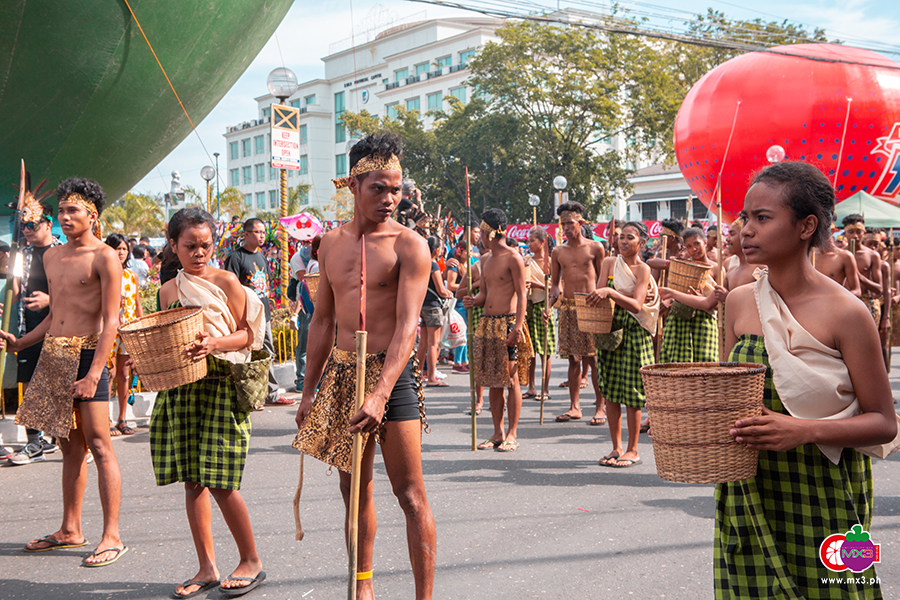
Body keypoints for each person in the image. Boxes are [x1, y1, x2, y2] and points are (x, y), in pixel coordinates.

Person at [716, 161, 897, 598]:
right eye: (745, 218)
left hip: (824, 488)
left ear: (806, 226)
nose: (747, 230)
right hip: (749, 486)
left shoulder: (846, 312)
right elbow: (726, 396)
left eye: (762, 218)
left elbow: (885, 422)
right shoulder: (740, 302)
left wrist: (803, 430)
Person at [294, 133, 436, 600]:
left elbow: (407, 327)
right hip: (340, 375)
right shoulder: (330, 245)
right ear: (353, 185)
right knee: (355, 492)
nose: (391, 199)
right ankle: (363, 587)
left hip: (391, 381)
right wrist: (309, 390)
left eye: (396, 188)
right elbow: (322, 323)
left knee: (411, 496)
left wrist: (379, 393)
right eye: (379, 187)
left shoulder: (411, 246)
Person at [2, 177, 127, 566]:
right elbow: (56, 313)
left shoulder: (105, 256)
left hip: (89, 355)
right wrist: (21, 343)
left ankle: (112, 535)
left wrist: (94, 373)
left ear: (92, 215)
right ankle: (70, 529)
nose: (65, 216)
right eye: (62, 211)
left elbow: (111, 321)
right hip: (54, 355)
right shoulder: (51, 257)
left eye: (73, 210)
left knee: (100, 446)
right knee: (68, 447)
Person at [153, 207, 268, 598]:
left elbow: (249, 336)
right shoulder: (167, 291)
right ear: (173, 246)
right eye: (189, 246)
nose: (199, 253)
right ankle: (206, 567)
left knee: (221, 482)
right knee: (193, 481)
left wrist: (214, 343)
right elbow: (165, 341)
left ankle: (251, 560)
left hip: (221, 384)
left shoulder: (227, 281)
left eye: (205, 245)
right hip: (183, 390)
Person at [589, 221, 659, 468]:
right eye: (621, 237)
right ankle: (616, 447)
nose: (624, 241)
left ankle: (633, 449)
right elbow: (598, 296)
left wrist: (612, 293)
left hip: (633, 331)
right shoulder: (609, 263)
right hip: (609, 330)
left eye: (630, 237)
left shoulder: (643, 269)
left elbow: (637, 305)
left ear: (642, 243)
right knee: (610, 391)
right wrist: (611, 294)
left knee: (632, 393)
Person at [463, 208, 529, 451]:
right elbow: (485, 294)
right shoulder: (484, 260)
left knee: (511, 380)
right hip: (487, 324)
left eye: (482, 231)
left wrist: (518, 328)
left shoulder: (514, 258)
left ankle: (512, 433)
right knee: (492, 380)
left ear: (490, 233)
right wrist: (473, 300)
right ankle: (497, 432)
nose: (479, 237)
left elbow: (522, 295)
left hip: (509, 323)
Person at [6, 196, 62, 465]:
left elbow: (77, 294)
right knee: (29, 385)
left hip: (60, 328)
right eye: (24, 225)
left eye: (32, 224)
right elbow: (15, 294)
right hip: (28, 327)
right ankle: (33, 440)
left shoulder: (63, 252)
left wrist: (50, 301)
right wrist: (12, 273)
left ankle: (66, 440)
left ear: (48, 223)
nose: (27, 229)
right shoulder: (23, 255)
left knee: (58, 385)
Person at [546, 202, 606, 425]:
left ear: (581, 222)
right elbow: (555, 285)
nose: (566, 228)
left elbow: (603, 279)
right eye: (563, 224)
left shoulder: (595, 248)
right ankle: (574, 407)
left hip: (591, 305)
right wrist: (549, 305)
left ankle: (600, 407)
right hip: (569, 308)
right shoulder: (558, 251)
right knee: (573, 359)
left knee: (594, 358)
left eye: (570, 223)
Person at [225, 219, 294, 406]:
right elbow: (229, 289)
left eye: (263, 232)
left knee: (267, 351)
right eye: (257, 232)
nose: (262, 235)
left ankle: (271, 394)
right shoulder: (235, 258)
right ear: (246, 234)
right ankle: (249, 396)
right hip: (245, 316)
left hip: (264, 315)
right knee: (245, 355)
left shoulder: (261, 257)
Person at [656, 227, 718, 363]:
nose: (694, 249)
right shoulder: (684, 265)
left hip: (705, 321)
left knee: (706, 365)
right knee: (678, 366)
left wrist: (703, 299)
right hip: (681, 321)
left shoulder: (717, 269)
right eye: (689, 246)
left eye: (697, 244)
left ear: (705, 242)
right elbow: (651, 262)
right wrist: (672, 264)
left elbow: (721, 302)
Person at [105, 233, 143, 436]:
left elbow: (137, 304)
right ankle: (106, 420)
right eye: (117, 248)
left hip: (128, 329)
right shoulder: (103, 273)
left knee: (124, 374)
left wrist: (142, 327)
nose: (120, 252)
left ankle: (122, 418)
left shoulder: (131, 275)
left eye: (124, 249)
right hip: (108, 329)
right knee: (109, 374)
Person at [418, 236, 453, 386]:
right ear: (437, 249)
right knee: (434, 343)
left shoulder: (421, 264)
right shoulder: (433, 265)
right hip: (433, 307)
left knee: (423, 343)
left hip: (423, 305)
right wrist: (449, 293)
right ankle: (431, 377)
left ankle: (419, 374)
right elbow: (441, 290)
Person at [524, 227, 554, 401]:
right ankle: (531, 387)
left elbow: (556, 288)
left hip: (544, 306)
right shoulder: (526, 260)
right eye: (528, 241)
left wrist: (537, 284)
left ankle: (545, 388)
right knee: (530, 349)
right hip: (529, 306)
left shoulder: (550, 262)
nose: (529, 244)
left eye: (532, 241)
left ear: (542, 242)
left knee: (545, 350)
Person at [842, 214, 884, 327]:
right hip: (844, 302)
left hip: (867, 302)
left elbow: (879, 289)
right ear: (845, 233)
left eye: (858, 232)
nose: (855, 236)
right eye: (851, 232)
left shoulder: (872, 255)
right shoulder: (839, 254)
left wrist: (859, 276)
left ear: (864, 233)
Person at [289, 239, 312, 393]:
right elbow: (304, 281)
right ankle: (301, 380)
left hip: (318, 304)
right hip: (305, 304)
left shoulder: (316, 258)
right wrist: (295, 314)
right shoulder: (298, 257)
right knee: (304, 344)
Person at [444, 241, 469, 373]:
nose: (470, 253)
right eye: (467, 251)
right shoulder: (455, 266)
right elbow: (450, 285)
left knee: (465, 335)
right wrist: (467, 287)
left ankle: (464, 361)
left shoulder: (467, 265)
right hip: (458, 304)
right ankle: (457, 362)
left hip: (465, 303)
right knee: (461, 335)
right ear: (461, 252)